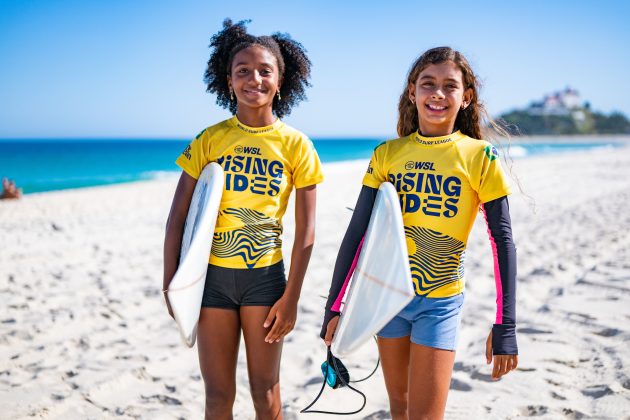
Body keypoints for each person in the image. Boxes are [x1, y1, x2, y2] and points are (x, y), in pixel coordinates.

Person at [321, 47, 518, 419]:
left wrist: (505, 324)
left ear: (467, 97)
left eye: (450, 86)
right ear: (413, 92)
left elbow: (502, 242)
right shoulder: (387, 154)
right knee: (401, 408)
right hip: (386, 298)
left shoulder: (479, 156)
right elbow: (358, 233)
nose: (438, 94)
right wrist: (335, 305)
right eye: (428, 84)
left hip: (439, 302)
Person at [163, 19, 323, 419]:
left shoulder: (296, 145)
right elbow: (178, 217)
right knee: (217, 395)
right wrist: (171, 282)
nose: (254, 79)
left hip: (265, 280)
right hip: (211, 279)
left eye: (265, 70)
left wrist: (292, 298)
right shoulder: (210, 139)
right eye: (243, 71)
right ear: (228, 81)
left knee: (264, 391)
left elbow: (307, 232)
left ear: (281, 80)